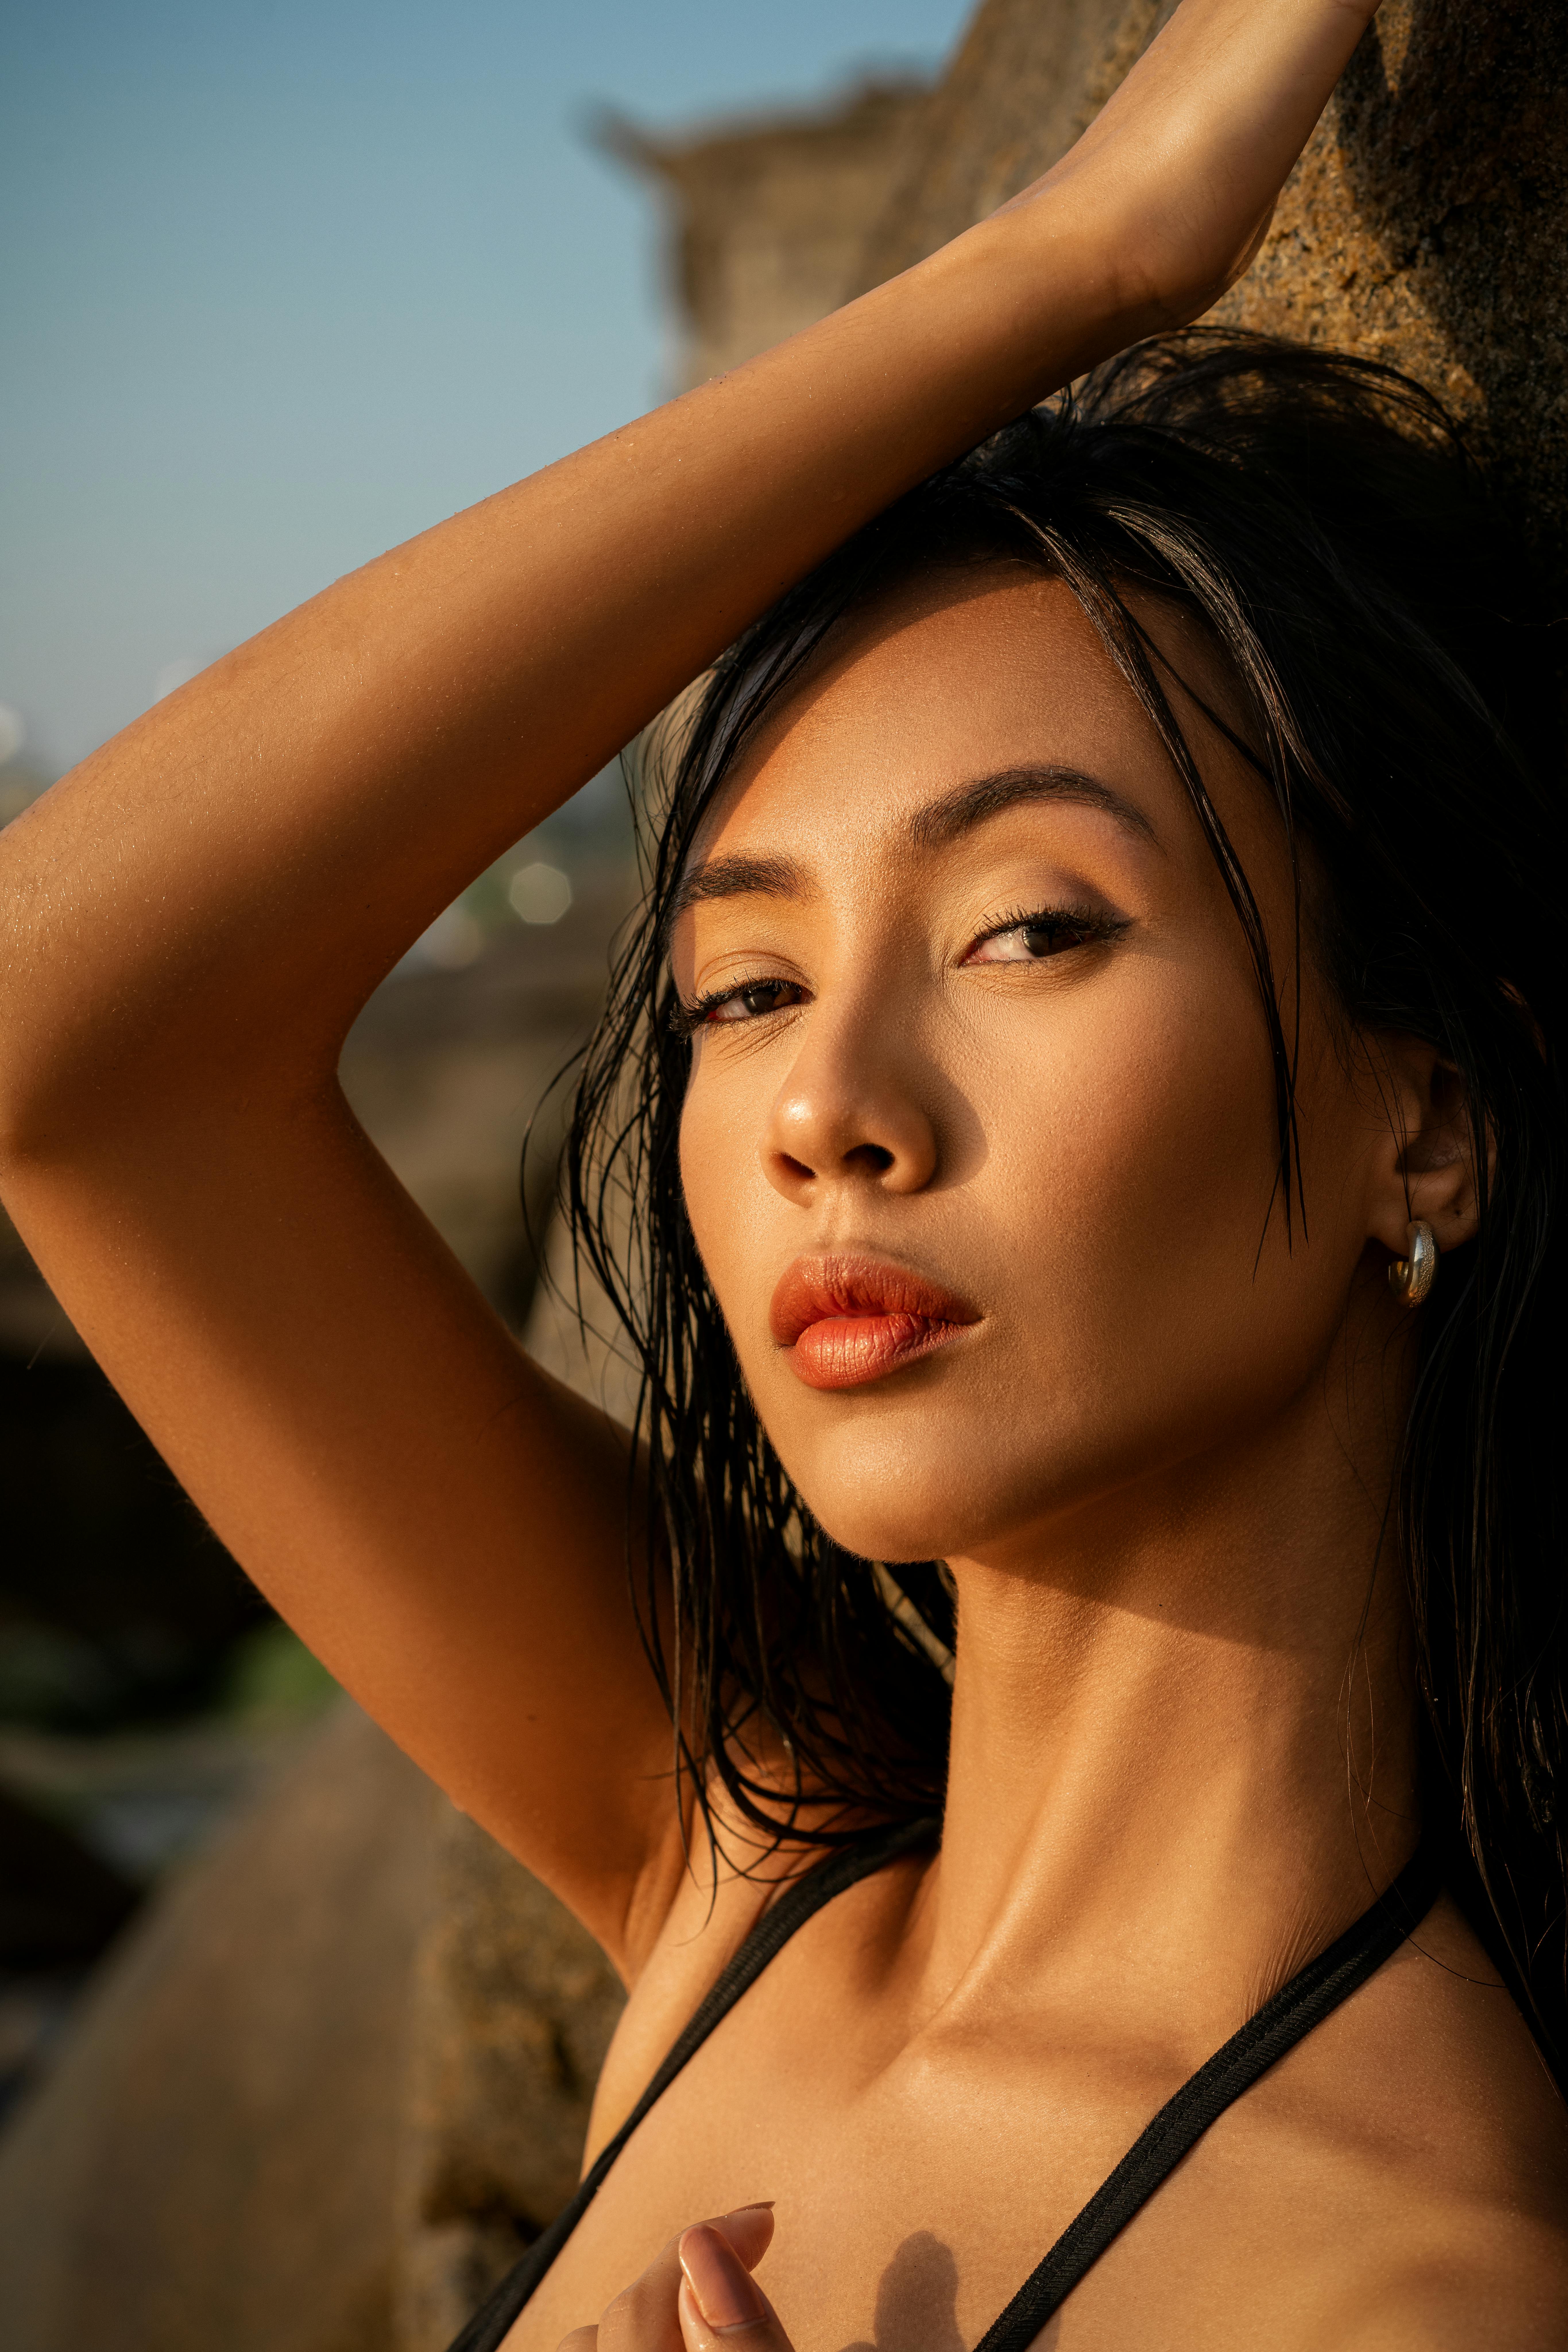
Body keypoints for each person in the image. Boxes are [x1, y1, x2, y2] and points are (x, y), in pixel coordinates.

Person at [2, 0, 1565, 2342]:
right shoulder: (741, 1843)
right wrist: (1071, 262)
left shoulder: (1391, 2275)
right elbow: (71, 1042)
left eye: (1027, 926)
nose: (829, 1102)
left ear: (1415, 1115)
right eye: (739, 989)